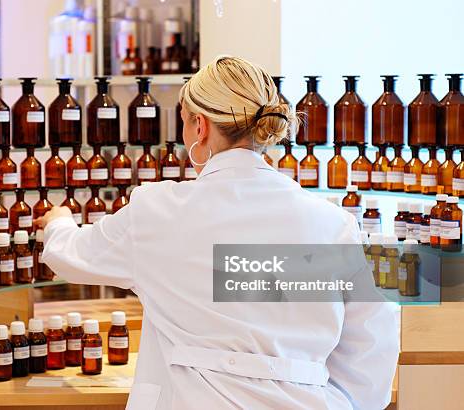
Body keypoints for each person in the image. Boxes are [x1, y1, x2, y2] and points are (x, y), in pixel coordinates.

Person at [36, 56, 399, 410]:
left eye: (183, 122)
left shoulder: (159, 211)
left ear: (200, 126)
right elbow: (370, 346)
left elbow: (72, 256)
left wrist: (58, 222)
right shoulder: (330, 224)